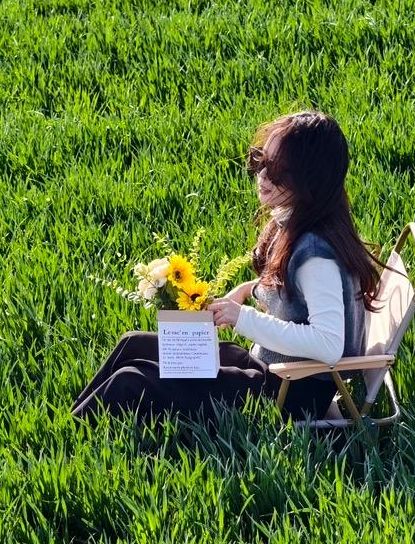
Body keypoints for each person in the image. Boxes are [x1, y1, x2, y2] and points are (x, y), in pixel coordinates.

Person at [71, 110, 381, 425]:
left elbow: (329, 345)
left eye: (278, 171)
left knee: (131, 382)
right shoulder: (299, 223)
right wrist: (248, 290)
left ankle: (69, 438)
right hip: (273, 371)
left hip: (290, 394)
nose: (263, 176)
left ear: (310, 180)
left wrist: (241, 317)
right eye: (261, 161)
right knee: (133, 344)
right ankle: (71, 421)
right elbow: (296, 296)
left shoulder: (316, 255)